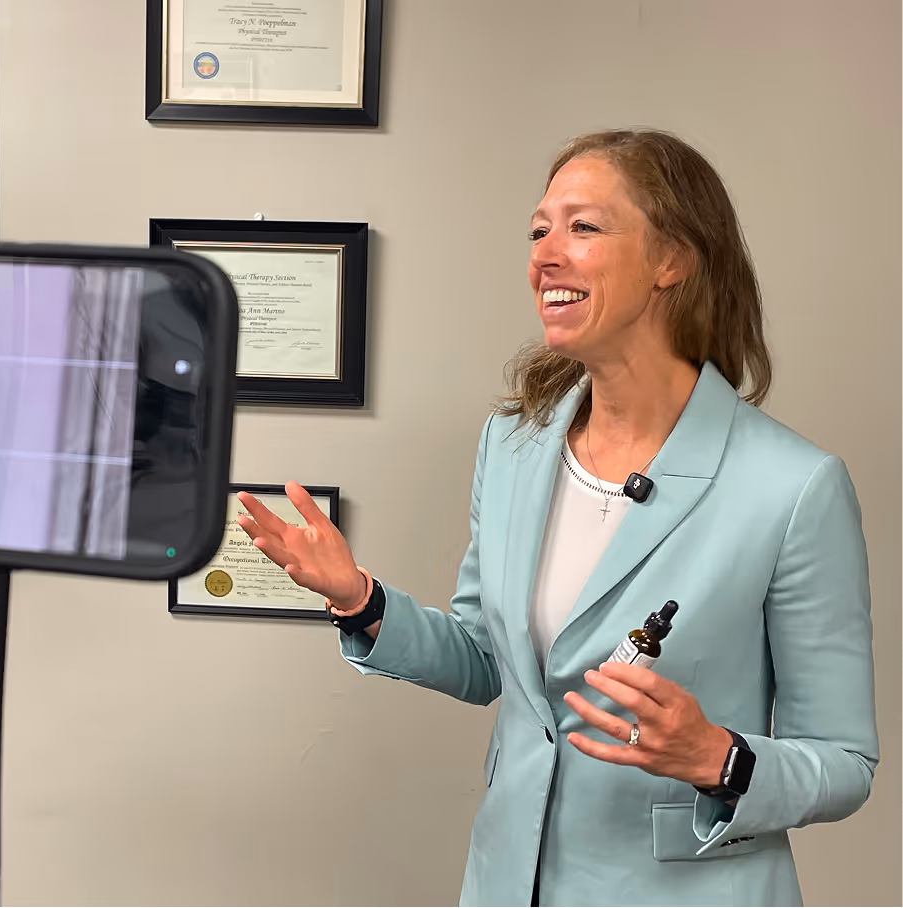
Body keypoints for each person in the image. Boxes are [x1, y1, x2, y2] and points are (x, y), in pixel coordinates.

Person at [235, 129, 878, 907]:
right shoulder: (512, 446)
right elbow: (487, 660)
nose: (545, 254)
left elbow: (844, 760)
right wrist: (359, 600)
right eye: (539, 230)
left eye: (584, 227)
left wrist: (721, 758)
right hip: (508, 883)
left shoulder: (794, 488)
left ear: (673, 260)